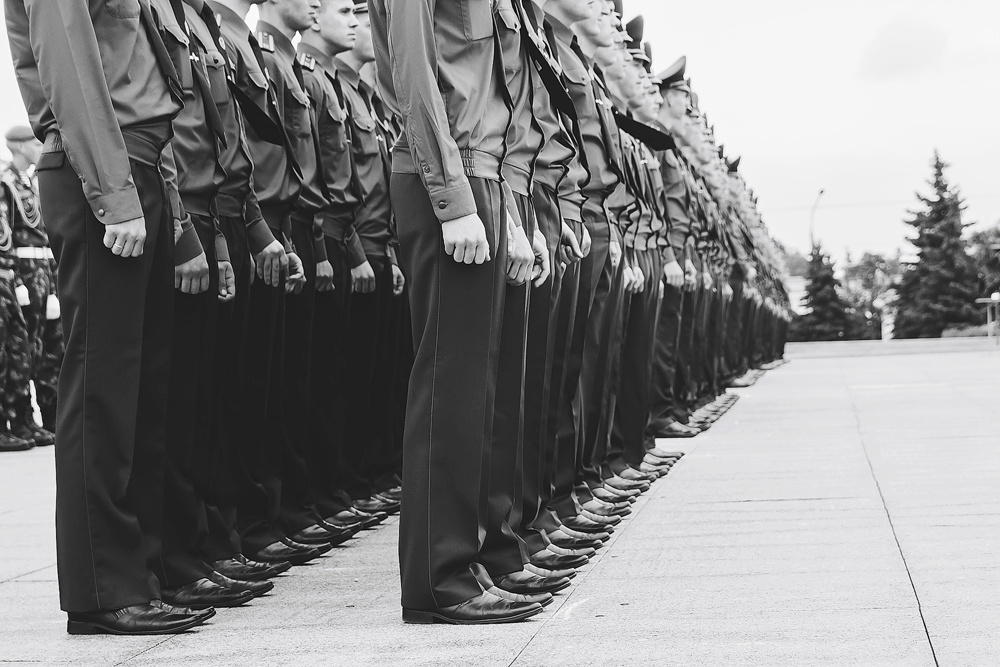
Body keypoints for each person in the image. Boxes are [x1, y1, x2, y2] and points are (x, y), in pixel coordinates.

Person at [6, 0, 213, 634]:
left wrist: (169, 213)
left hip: (138, 163)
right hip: (99, 168)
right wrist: (114, 194)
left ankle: (143, 570)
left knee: (143, 392)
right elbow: (70, 67)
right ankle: (103, 587)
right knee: (104, 388)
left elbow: (153, 94)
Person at [369, 0, 544, 624]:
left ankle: (473, 559)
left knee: (478, 394)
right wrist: (451, 196)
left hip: (483, 179)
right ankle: (438, 579)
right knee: (449, 388)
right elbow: (414, 74)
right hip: (448, 176)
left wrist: (510, 214)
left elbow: (501, 96)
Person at [0, 126, 56, 448]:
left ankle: (27, 419)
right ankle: (17, 418)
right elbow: (7, 234)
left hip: (42, 270)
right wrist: (18, 280)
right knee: (16, 349)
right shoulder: (6, 182)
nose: (40, 147)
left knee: (37, 347)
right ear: (20, 146)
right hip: (20, 272)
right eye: (35, 142)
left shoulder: (32, 182)